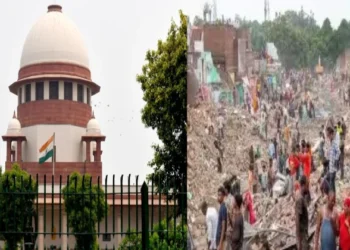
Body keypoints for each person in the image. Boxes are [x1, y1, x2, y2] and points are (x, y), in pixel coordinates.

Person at [295, 176, 309, 250]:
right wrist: (299, 240)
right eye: (307, 185)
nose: (308, 187)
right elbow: (297, 219)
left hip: (303, 233)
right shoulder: (300, 199)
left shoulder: (302, 197)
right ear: (303, 185)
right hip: (302, 235)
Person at [326, 127, 340, 194]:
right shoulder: (330, 143)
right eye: (327, 135)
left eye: (329, 135)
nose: (328, 136)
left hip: (333, 166)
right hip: (330, 165)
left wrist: (336, 160)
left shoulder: (334, 142)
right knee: (332, 182)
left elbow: (338, 152)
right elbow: (331, 153)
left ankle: (333, 196)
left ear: (332, 134)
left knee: (332, 182)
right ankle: (333, 197)